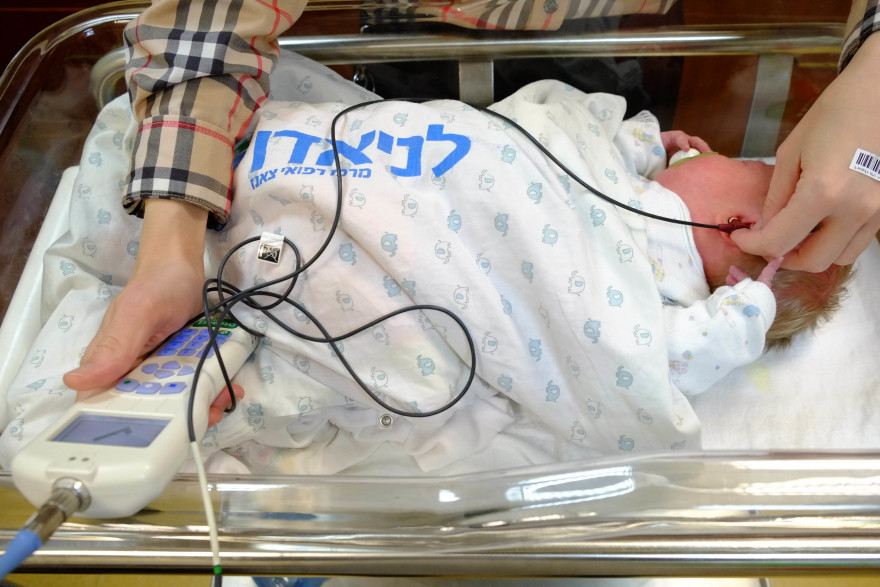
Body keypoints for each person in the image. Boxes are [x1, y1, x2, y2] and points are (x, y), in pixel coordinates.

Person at [62, 0, 880, 425]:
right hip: (413, 160)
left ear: (744, 238)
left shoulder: (655, 296)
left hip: (419, 282)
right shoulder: (613, 161)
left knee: (391, 356)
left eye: (747, 166)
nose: (710, 152)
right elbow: (558, 127)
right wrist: (169, 236)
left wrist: (747, 309)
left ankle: (264, 370)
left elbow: (651, 361)